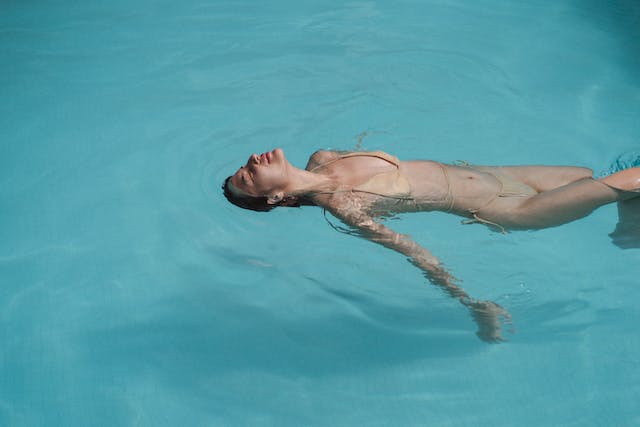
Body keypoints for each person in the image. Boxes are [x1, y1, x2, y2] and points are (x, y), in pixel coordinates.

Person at [223, 147, 640, 342]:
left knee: (590, 176)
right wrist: (472, 304)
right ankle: (629, 227)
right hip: (507, 206)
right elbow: (416, 254)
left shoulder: (325, 156)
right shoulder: (346, 207)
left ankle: (628, 228)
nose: (251, 162)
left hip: (499, 172)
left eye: (244, 166)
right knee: (630, 180)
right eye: (248, 177)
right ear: (275, 198)